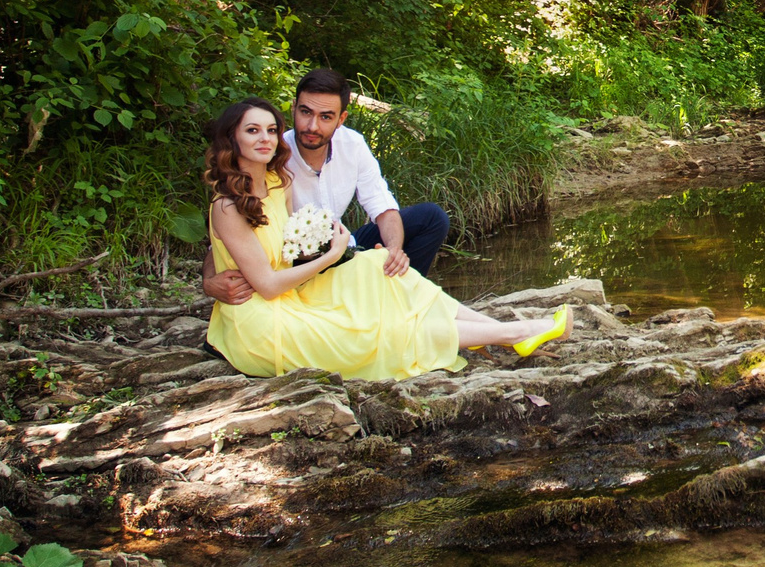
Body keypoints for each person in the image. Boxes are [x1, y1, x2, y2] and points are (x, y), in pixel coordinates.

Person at [201, 98, 568, 379]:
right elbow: (262, 283)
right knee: (370, 331)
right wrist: (330, 257)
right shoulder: (227, 206)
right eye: (252, 131)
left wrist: (349, 251)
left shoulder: (280, 181)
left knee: (379, 266)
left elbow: (378, 202)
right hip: (262, 318)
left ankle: (502, 332)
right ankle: (515, 332)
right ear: (232, 137)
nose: (265, 138)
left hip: (294, 289)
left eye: (269, 130)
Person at [202, 67, 443, 308]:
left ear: (341, 119)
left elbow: (381, 204)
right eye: (306, 112)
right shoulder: (271, 154)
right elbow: (231, 222)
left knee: (431, 217)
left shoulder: (352, 144)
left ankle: (404, 303)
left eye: (326, 117)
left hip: (342, 245)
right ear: (294, 107)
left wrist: (393, 250)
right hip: (300, 262)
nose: (312, 126)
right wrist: (209, 281)